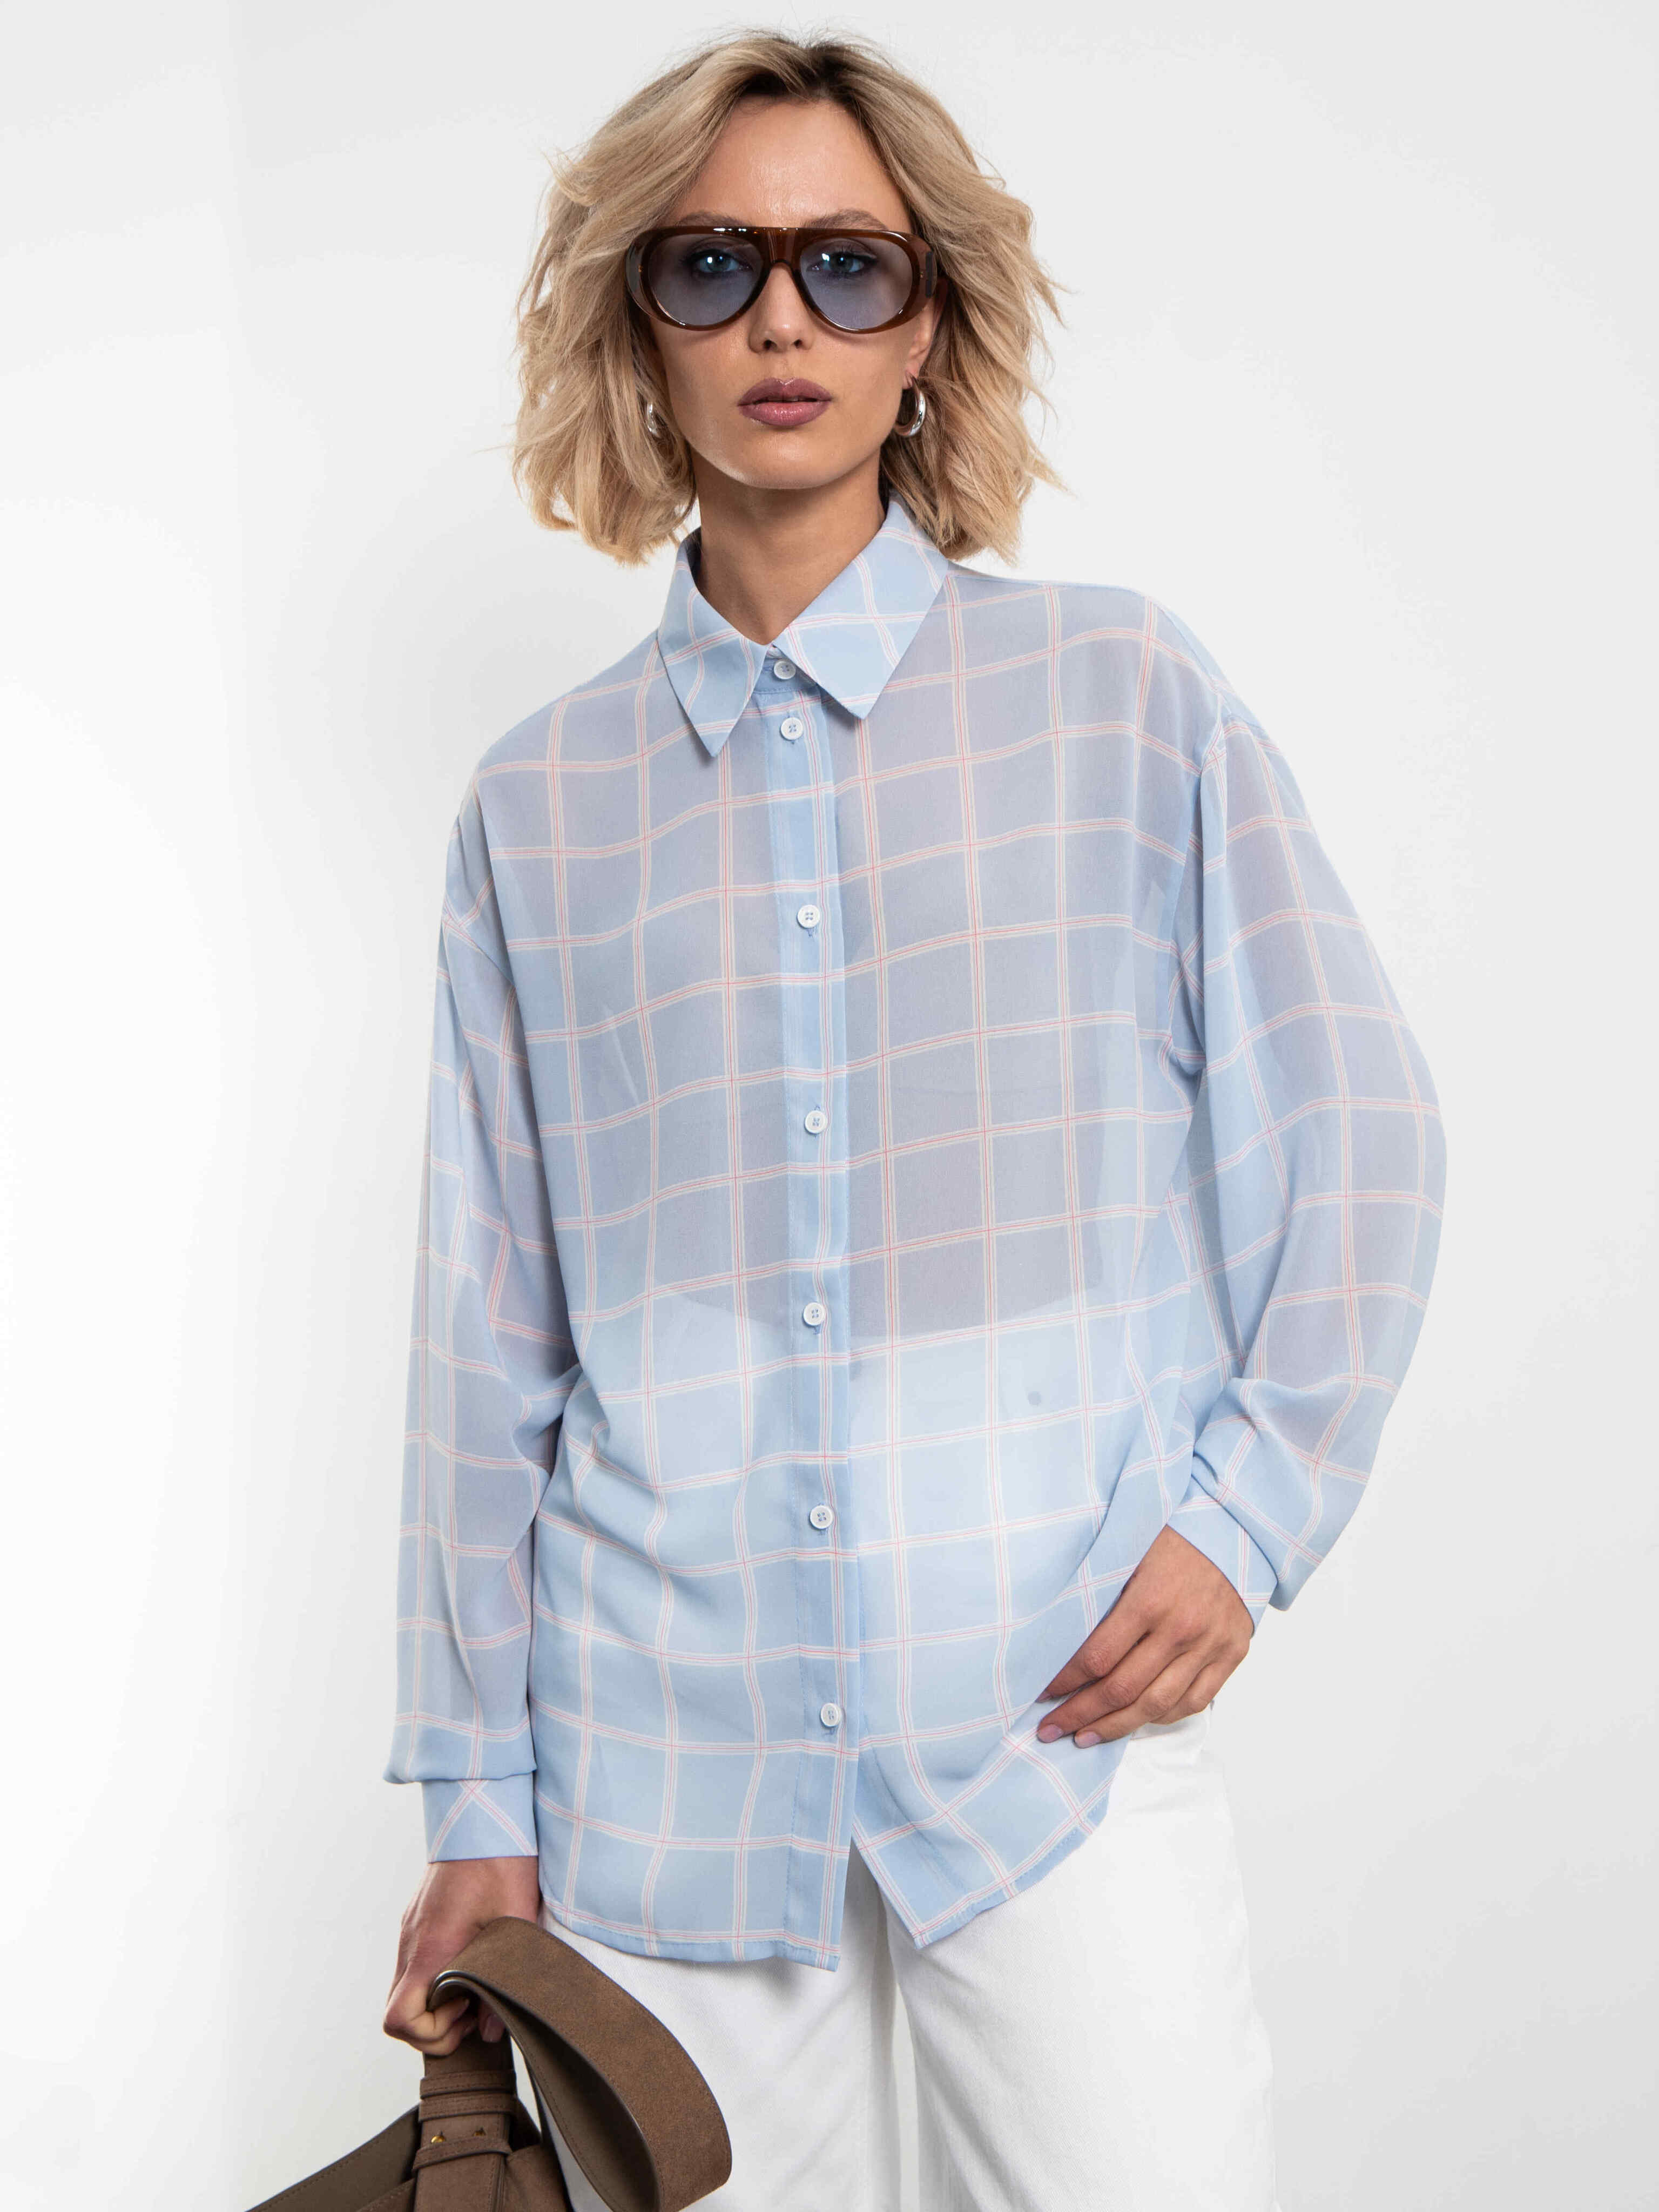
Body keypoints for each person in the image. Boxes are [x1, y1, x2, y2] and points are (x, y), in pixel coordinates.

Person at [379, 30, 1446, 2210]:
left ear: (927, 325)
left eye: (847, 266)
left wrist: (1249, 1518)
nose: (782, 319)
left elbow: (1361, 1128)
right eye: (713, 264)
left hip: (1049, 1727)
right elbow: (493, 1342)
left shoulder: (1120, 698)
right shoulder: (538, 807)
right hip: (659, 1772)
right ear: (640, 326)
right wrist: (477, 1798)